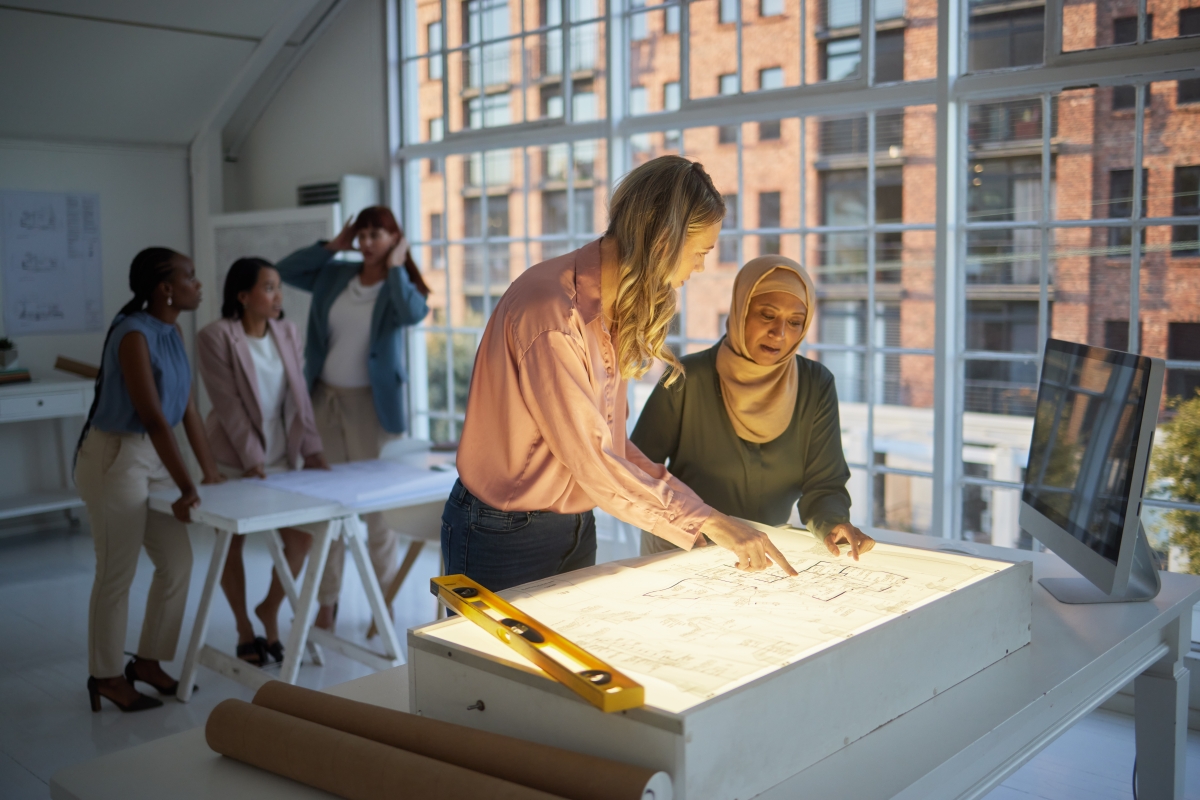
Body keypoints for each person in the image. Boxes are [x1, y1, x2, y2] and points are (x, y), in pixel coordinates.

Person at [446, 155, 798, 593]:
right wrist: (707, 520)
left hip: (574, 523)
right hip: (504, 533)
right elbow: (594, 460)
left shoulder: (611, 309)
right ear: (663, 239)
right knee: (493, 664)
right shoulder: (554, 315)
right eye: (701, 252)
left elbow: (610, 445)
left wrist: (705, 515)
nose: (702, 267)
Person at [631, 255, 874, 560]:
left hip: (763, 554)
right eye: (767, 314)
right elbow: (637, 471)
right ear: (740, 311)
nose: (780, 333)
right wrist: (692, 522)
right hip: (684, 550)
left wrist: (835, 523)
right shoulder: (686, 378)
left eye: (795, 322)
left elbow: (823, 483)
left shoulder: (815, 384)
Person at [75, 247, 224, 713]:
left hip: (153, 455)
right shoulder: (133, 335)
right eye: (191, 277)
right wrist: (187, 486)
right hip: (114, 455)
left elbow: (188, 411)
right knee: (116, 572)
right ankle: (105, 676)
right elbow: (155, 418)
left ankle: (148, 661)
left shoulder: (172, 331)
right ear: (165, 288)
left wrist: (210, 471)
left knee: (177, 563)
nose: (198, 285)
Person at [274, 206, 431, 629]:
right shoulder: (335, 274)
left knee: (379, 513)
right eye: (360, 235)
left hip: (371, 408)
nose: (365, 243)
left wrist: (397, 267)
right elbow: (284, 271)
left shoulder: (401, 284)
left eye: (375, 235)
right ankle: (326, 601)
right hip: (324, 401)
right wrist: (333, 246)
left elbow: (413, 313)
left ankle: (386, 600)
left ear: (395, 239)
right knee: (329, 504)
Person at [197, 257, 329, 665]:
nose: (277, 295)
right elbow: (230, 407)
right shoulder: (215, 337)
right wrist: (254, 463)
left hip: (282, 455)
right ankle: (243, 627)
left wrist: (313, 450)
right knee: (229, 544)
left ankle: (269, 608)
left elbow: (299, 398)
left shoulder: (287, 331)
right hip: (234, 459)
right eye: (268, 287)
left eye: (278, 287)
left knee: (302, 537)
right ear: (242, 296)